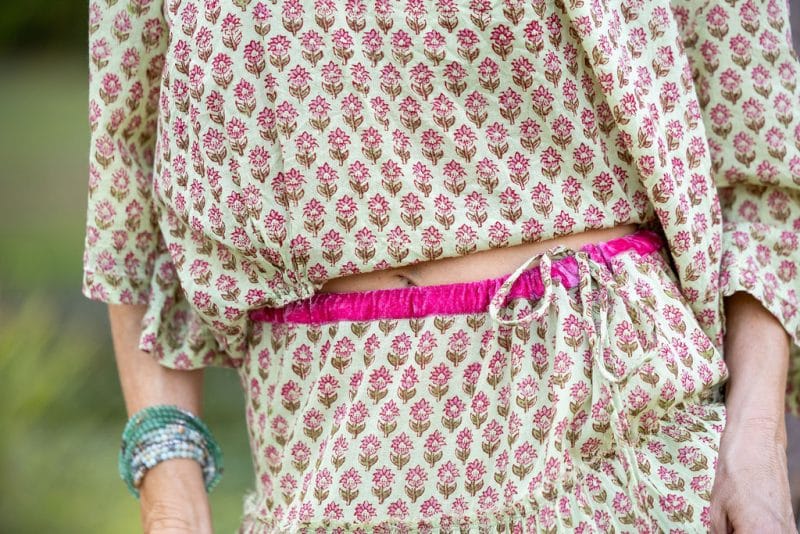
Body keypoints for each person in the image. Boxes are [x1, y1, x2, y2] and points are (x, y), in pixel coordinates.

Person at [82, 0, 800, 532]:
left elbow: (759, 153)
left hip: (613, 433)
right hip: (330, 455)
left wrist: (757, 438)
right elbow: (131, 174)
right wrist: (169, 489)